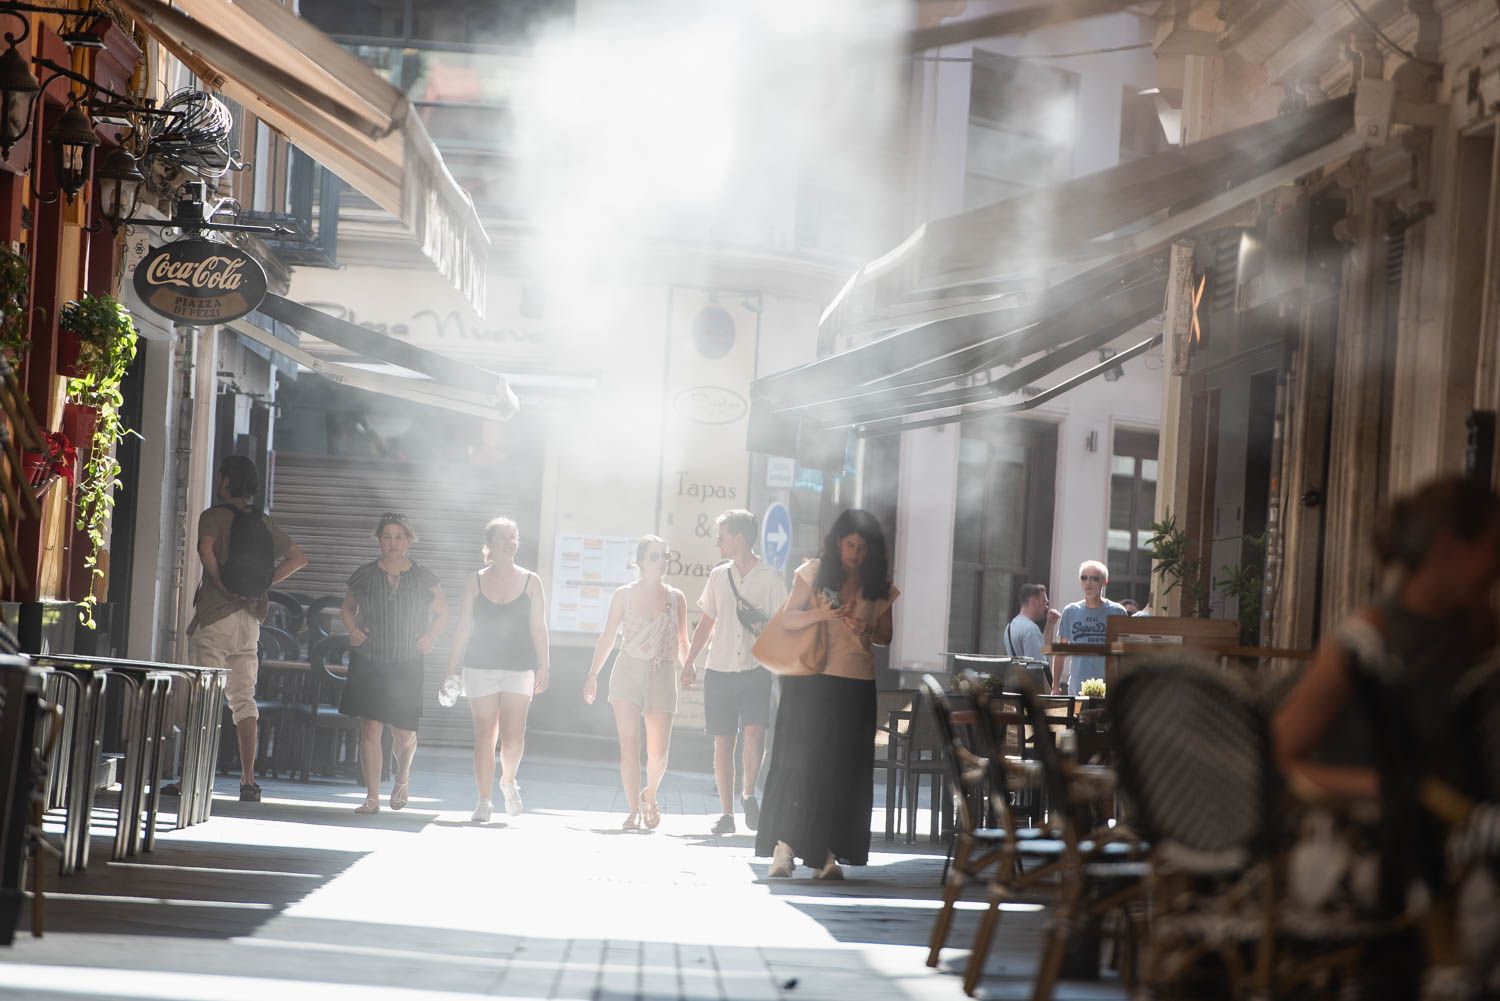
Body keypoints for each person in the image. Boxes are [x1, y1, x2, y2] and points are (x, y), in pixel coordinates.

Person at [1273, 477, 1500, 995]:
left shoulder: (1478, 629)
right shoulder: (1363, 641)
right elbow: (1276, 756)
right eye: (1494, 548)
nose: (1498, 565)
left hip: (1452, 839)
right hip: (1370, 850)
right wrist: (1380, 786)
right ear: (1448, 547)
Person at [755, 509, 898, 880]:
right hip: (811, 679)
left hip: (856, 683)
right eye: (851, 545)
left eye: (863, 548)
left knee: (843, 771)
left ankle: (829, 854)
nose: (856, 553)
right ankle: (783, 849)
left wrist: (866, 628)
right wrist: (825, 615)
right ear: (838, 542)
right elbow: (788, 617)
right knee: (798, 765)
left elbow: (886, 636)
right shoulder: (814, 572)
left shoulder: (878, 586)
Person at [187, 455, 307, 803]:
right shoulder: (263, 522)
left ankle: (194, 780)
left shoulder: (212, 516)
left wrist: (221, 582)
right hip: (250, 621)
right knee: (244, 700)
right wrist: (261, 585)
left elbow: (205, 549)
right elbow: (299, 558)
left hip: (214, 617)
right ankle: (248, 780)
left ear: (225, 482)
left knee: (203, 698)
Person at [682, 510, 789, 836]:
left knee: (755, 733)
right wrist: (690, 661)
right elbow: (706, 623)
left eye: (722, 537)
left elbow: (781, 626)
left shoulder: (771, 578)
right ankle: (726, 813)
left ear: (739, 538)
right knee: (723, 742)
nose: (718, 543)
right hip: (720, 667)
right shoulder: (718, 576)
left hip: (756, 669)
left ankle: (748, 794)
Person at [340, 513, 449, 814]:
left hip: (407, 661)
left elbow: (443, 612)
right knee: (371, 728)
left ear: (408, 540)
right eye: (387, 536)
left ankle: (402, 777)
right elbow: (347, 607)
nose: (392, 542)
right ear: (379, 540)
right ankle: (372, 796)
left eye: (399, 537)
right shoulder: (364, 574)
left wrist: (430, 636)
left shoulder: (424, 576)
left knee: (403, 732)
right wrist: (352, 631)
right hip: (369, 659)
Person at [444, 517, 550, 823]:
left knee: (513, 736)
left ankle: (507, 781)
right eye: (503, 538)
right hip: (479, 665)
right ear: (489, 545)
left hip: (519, 667)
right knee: (484, 734)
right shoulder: (474, 581)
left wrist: (545, 664)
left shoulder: (532, 581)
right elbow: (463, 626)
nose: (509, 542)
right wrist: (451, 668)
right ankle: (484, 801)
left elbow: (539, 627)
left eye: (514, 537)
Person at [583, 535, 689, 831]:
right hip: (628, 671)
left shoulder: (676, 598)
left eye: (665, 556)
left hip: (663, 673)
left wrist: (690, 664)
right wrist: (592, 674)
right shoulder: (624, 595)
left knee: (658, 752)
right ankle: (632, 810)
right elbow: (608, 637)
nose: (661, 562)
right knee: (630, 744)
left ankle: (650, 796)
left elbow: (682, 640)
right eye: (655, 556)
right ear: (640, 561)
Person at [1050, 560, 1128, 696]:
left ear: (1104, 581)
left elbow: (1124, 655)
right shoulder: (1070, 611)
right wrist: (1055, 686)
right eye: (1084, 578)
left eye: (1094, 578)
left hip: (1109, 689)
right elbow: (1061, 652)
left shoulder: (1117, 611)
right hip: (1077, 687)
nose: (1088, 582)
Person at [1003, 583, 1059, 662]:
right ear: (1034, 602)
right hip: (1029, 674)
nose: (1046, 607)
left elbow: (1043, 651)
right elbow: (1038, 666)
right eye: (1044, 602)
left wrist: (1050, 624)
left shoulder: (1009, 627)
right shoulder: (1031, 630)